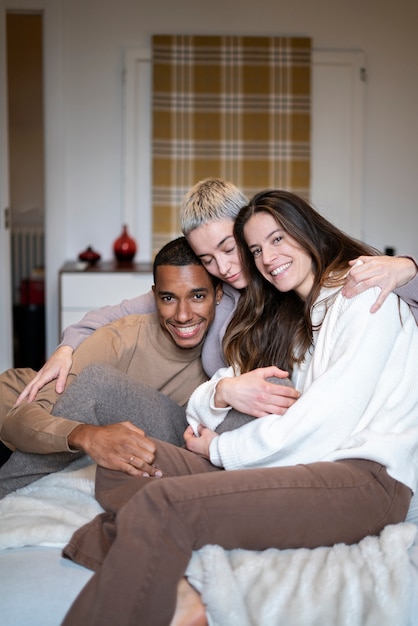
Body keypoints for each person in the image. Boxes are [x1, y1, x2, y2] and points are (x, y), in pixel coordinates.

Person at [61, 189, 418, 626]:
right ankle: (177, 577)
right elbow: (211, 392)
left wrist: (219, 451)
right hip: (302, 466)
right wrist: (223, 392)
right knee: (123, 464)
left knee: (164, 504)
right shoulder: (297, 316)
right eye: (256, 249)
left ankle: (168, 570)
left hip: (369, 480)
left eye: (277, 239)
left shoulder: (362, 297)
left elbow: (321, 424)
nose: (266, 258)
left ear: (307, 231)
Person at [16, 179, 418, 411]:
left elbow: (372, 297)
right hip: (207, 415)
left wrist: (408, 268)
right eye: (208, 258)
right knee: (39, 385)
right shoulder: (211, 291)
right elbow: (109, 314)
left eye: (230, 248)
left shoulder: (291, 275)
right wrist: (68, 348)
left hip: (269, 430)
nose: (224, 267)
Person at [0, 237, 227, 496]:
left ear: (218, 294)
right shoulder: (119, 339)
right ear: (154, 297)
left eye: (198, 296)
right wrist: (89, 436)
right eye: (168, 298)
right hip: (12, 415)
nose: (183, 315)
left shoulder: (226, 351)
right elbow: (17, 421)